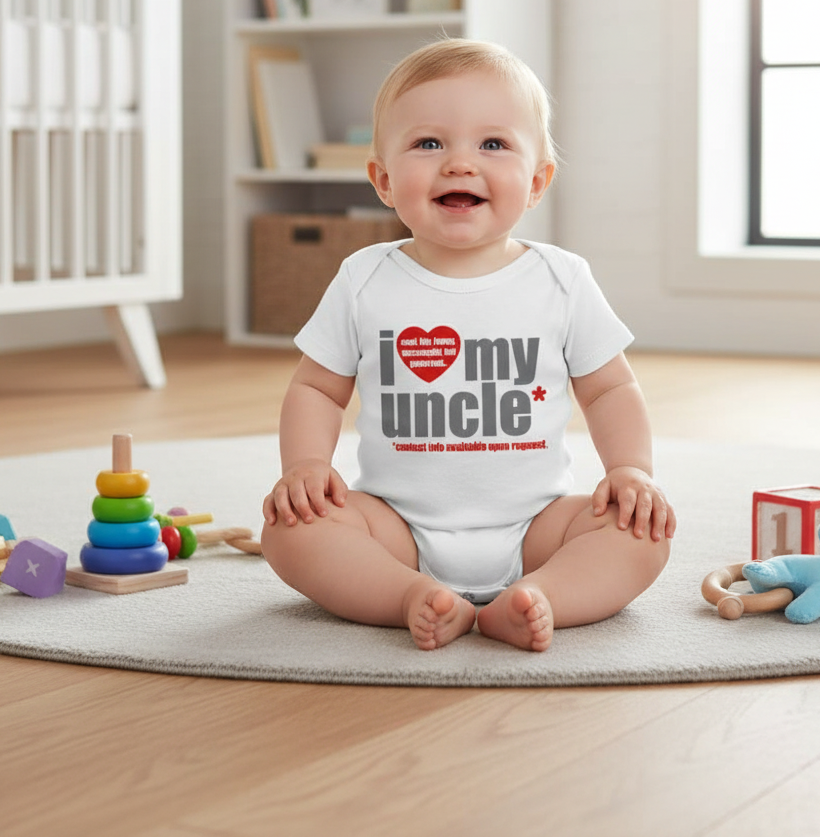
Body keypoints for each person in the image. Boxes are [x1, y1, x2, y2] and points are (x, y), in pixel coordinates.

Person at [261, 38, 676, 652]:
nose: (459, 164)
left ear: (537, 181)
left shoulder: (562, 280)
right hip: (395, 527)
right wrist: (305, 468)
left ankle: (539, 598)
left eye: (493, 144)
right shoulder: (363, 279)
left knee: (642, 533)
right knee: (288, 531)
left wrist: (629, 470)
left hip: (538, 526)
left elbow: (610, 388)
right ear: (383, 179)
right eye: (429, 144)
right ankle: (408, 596)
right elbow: (317, 388)